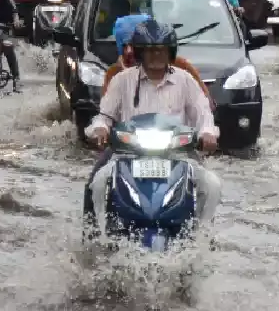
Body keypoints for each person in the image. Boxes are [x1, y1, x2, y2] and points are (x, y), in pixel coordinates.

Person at [82, 19, 222, 233]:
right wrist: (100, 129)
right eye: (150, 51)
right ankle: (97, 236)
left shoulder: (185, 80)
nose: (157, 55)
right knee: (98, 183)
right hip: (127, 153)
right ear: (140, 53)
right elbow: (104, 116)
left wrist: (207, 134)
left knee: (212, 185)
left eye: (161, 50)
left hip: (178, 154)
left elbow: (203, 114)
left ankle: (202, 238)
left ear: (170, 52)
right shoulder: (122, 80)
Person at [101, 0, 210, 96]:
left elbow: (204, 102)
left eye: (133, 45)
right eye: (124, 46)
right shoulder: (113, 74)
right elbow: (107, 112)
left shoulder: (181, 67)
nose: (129, 51)